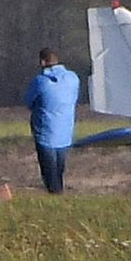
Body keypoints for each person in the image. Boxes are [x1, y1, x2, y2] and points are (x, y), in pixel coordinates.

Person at [23, 47, 80, 194]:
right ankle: (59, 193)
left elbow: (29, 102)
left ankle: (55, 196)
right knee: (59, 169)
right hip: (66, 131)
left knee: (49, 172)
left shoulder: (41, 81)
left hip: (45, 132)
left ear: (42, 62)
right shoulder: (73, 78)